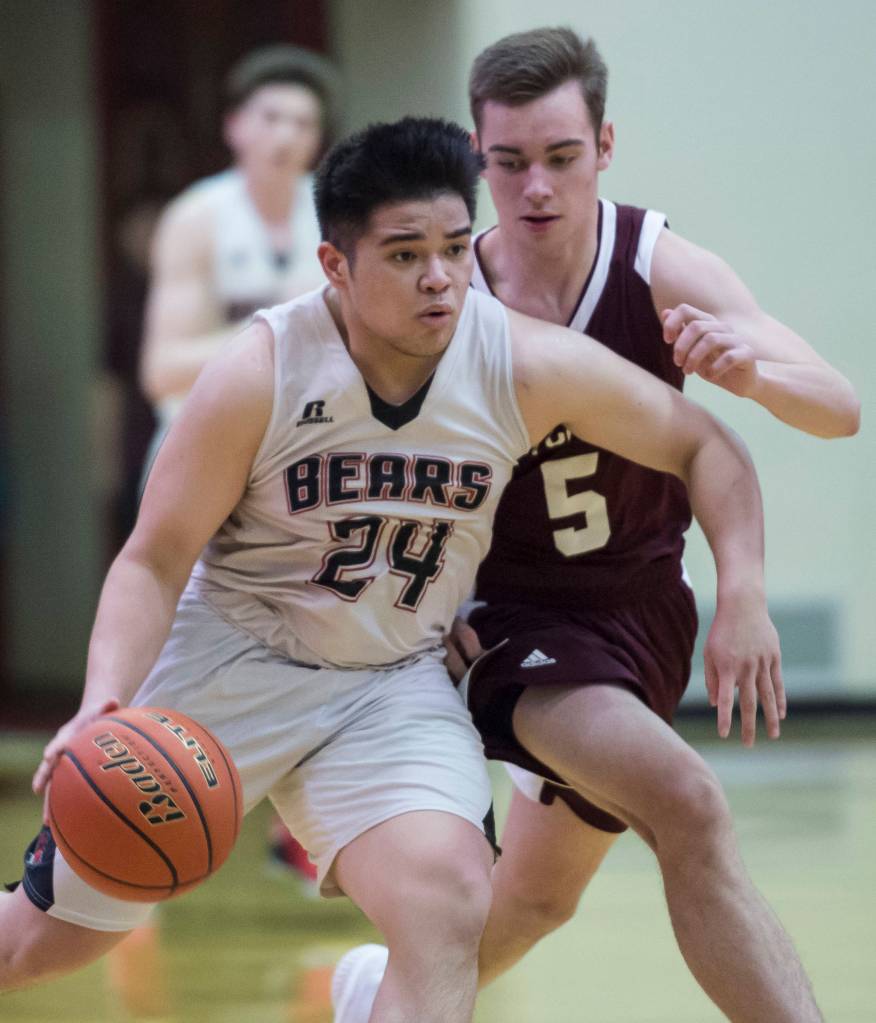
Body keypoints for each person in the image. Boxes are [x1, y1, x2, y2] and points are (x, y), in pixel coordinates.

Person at [0, 116, 779, 1023]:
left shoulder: (518, 360)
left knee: (449, 906)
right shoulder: (260, 370)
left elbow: (704, 443)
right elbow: (154, 559)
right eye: (406, 255)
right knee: (40, 943)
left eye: (454, 246)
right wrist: (103, 695)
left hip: (388, 684)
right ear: (337, 265)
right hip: (230, 663)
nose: (441, 276)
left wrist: (745, 593)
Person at [331, 28, 859, 1023]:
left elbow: (838, 407)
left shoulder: (657, 266)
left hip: (646, 617)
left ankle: (375, 994)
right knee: (689, 806)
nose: (536, 187)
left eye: (562, 158)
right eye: (510, 162)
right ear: (476, 157)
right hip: (512, 622)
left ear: (604, 147)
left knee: (534, 901)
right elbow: (347, 475)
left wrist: (752, 377)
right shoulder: (440, 300)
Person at [138, 43, 337, 482]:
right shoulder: (196, 217)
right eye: (270, 118)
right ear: (234, 127)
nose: (285, 136)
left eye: (302, 122)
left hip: (306, 449)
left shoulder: (339, 215)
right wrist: (280, 323)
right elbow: (162, 371)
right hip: (201, 445)